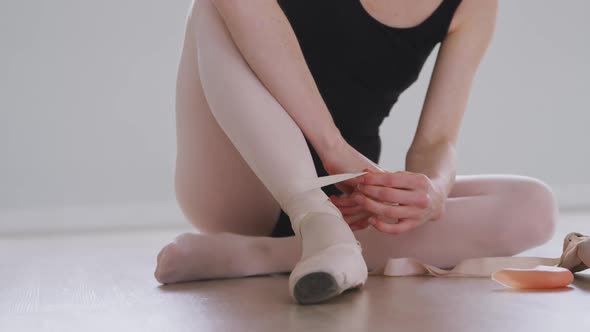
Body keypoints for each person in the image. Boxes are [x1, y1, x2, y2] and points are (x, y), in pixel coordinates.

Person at [154, 0, 558, 304]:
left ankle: (267, 255)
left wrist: (431, 191)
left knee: (532, 205)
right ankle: (309, 216)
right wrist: (332, 148)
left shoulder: (474, 5)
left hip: (347, 198)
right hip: (242, 181)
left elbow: (435, 142)